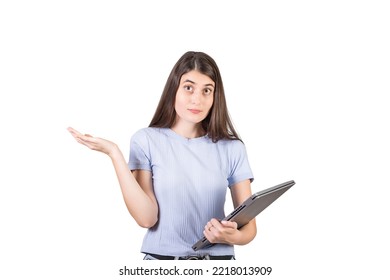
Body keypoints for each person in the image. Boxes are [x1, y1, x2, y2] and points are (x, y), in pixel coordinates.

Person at [67, 51, 256, 260]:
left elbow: (249, 229)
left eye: (207, 91)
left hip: (218, 265)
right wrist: (115, 155)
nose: (197, 99)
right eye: (188, 87)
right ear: (174, 89)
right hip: (162, 264)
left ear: (215, 96)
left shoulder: (232, 148)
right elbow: (147, 219)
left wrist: (230, 236)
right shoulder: (146, 141)